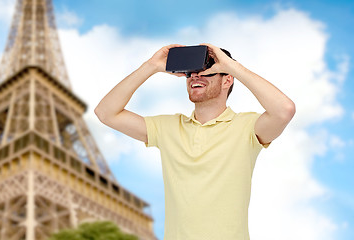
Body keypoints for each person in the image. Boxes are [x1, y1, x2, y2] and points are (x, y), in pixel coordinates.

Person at [95, 43, 295, 240]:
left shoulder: (247, 127)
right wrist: (151, 66)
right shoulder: (168, 128)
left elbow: (284, 110)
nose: (195, 76)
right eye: (190, 73)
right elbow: (105, 113)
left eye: (207, 71)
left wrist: (232, 65)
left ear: (227, 81)